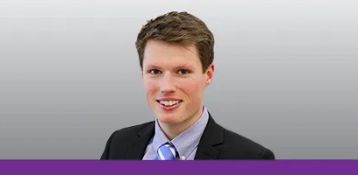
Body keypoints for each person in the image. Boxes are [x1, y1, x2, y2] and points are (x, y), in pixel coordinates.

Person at [99, 11, 275, 160]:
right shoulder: (118, 145)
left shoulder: (251, 159)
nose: (166, 87)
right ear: (142, 74)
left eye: (182, 71)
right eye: (155, 71)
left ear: (208, 74)